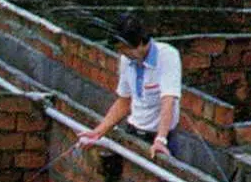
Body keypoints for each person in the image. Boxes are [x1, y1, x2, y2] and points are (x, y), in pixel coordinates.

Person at [77, 12, 182, 160]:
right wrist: (98, 132)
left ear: (139, 42)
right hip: (133, 132)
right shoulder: (127, 60)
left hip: (160, 137)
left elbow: (168, 100)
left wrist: (160, 139)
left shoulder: (167, 56)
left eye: (124, 48)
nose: (122, 54)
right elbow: (124, 101)